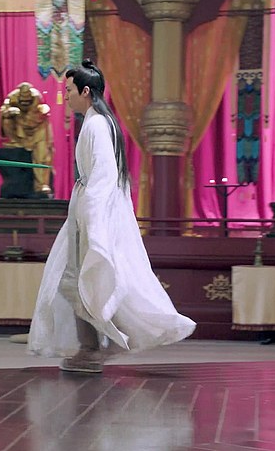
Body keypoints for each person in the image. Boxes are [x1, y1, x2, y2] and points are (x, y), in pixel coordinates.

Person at [27, 59, 196, 373]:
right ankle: (92, 346)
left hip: (93, 212)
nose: (66, 97)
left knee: (81, 279)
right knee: (77, 280)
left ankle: (92, 349)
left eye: (69, 90)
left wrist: (93, 222)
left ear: (85, 91)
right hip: (88, 209)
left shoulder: (96, 125)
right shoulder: (99, 122)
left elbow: (104, 177)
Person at [0, 82, 54, 195]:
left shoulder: (37, 97)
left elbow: (41, 112)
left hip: (37, 129)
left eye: (27, 101)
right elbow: (3, 110)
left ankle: (41, 184)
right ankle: (15, 141)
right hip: (19, 128)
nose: (25, 103)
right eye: (23, 101)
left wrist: (33, 117)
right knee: (7, 120)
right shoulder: (12, 97)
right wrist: (10, 111)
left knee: (42, 156)